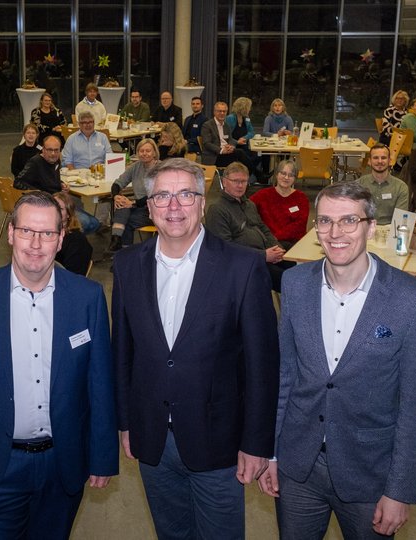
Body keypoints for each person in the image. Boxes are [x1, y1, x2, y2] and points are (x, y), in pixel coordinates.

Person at [113, 158, 279, 540]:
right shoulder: (126, 265)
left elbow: (262, 366)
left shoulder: (243, 267)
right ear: (149, 206)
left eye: (185, 195)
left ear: (203, 203)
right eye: (163, 196)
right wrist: (125, 422)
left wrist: (257, 443)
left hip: (219, 443)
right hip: (152, 439)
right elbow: (121, 353)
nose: (174, 207)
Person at [258, 182, 416, 539]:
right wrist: (271, 454)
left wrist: (399, 490)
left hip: (369, 474)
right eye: (325, 221)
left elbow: (414, 406)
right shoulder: (294, 284)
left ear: (371, 227)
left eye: (349, 221)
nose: (335, 233)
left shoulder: (411, 299)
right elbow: (285, 376)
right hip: (298, 467)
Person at [0, 191, 118, 539]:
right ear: (10, 234)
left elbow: (99, 384)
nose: (36, 244)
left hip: (61, 464)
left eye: (47, 233)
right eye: (27, 232)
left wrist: (102, 455)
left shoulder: (87, 298)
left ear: (61, 238)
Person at [206, 162, 292, 292]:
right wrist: (263, 255)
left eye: (244, 181)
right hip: (243, 263)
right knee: (288, 279)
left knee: (296, 268)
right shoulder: (217, 210)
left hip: (262, 253)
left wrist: (276, 247)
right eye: (235, 181)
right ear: (224, 182)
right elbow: (225, 248)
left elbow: (263, 228)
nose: (240, 185)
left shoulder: (249, 204)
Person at [16, 134, 101, 234]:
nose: (53, 153)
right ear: (43, 149)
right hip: (46, 206)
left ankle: (67, 239)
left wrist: (61, 184)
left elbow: (51, 178)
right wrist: (38, 193)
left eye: (56, 150)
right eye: (49, 150)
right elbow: (17, 182)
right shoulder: (35, 162)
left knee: (95, 223)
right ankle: (62, 241)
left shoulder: (56, 161)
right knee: (86, 223)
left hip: (60, 202)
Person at [107, 138, 158, 252]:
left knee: (125, 220)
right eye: (141, 151)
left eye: (148, 151)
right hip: (139, 206)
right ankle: (118, 242)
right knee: (123, 206)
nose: (144, 153)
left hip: (154, 209)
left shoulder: (160, 169)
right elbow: (118, 183)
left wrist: (133, 202)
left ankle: (121, 249)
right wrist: (116, 196)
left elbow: (155, 195)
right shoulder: (136, 166)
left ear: (154, 152)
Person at [250, 159, 309, 249]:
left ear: (295, 179)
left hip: (292, 243)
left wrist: (276, 237)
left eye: (291, 175)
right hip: (267, 242)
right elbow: (246, 207)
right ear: (277, 174)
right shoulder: (263, 195)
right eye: (283, 173)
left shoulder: (301, 198)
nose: (286, 177)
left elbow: (299, 225)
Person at [357, 144, 410, 225]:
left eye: (383, 158)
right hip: (365, 230)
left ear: (390, 161)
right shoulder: (359, 185)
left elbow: (400, 220)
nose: (380, 161)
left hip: (390, 231)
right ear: (369, 161)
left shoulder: (401, 187)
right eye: (375, 158)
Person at [53, 191, 92, 275]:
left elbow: (73, 276)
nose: (54, 211)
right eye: (52, 207)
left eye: (60, 209)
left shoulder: (77, 241)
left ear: (68, 214)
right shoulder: (43, 233)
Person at [201, 102, 249, 168]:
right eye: (219, 111)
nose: (222, 113)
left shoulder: (226, 125)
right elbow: (207, 143)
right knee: (240, 153)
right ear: (214, 112)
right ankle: (257, 174)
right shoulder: (207, 125)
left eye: (224, 111)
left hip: (226, 153)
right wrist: (221, 150)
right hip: (213, 156)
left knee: (242, 154)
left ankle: (254, 174)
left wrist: (231, 146)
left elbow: (230, 139)